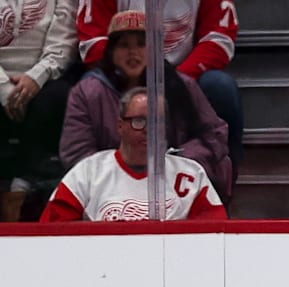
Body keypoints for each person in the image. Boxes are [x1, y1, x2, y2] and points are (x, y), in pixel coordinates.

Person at [61, 10, 232, 199]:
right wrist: (122, 173)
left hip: (175, 184)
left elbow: (214, 135)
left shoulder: (181, 85)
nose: (133, 53)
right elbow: (76, 151)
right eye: (124, 45)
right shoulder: (87, 92)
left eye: (142, 45)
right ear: (111, 52)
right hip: (109, 190)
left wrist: (178, 163)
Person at [76, 0, 243, 169]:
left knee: (221, 87)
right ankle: (98, 177)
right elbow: (94, 42)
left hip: (185, 75)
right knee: (90, 85)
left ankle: (222, 176)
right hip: (124, 71)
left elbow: (218, 38)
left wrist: (175, 78)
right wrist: (135, 75)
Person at [41, 87, 226, 221]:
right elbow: (53, 233)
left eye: (157, 122)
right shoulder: (88, 173)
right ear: (120, 126)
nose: (149, 130)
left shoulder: (191, 175)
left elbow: (214, 235)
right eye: (139, 121)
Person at [0, 0, 78, 221]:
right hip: (2, 78)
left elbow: (64, 40)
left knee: (60, 97)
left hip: (43, 78)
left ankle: (24, 186)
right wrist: (4, 88)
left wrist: (37, 76)